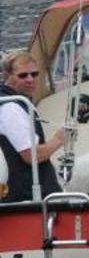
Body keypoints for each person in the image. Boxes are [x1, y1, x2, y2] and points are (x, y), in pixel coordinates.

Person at [1, 50, 62, 202]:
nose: (30, 79)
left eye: (34, 74)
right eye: (23, 75)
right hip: (31, 194)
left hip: (39, 185)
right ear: (7, 77)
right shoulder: (10, 108)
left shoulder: (17, 102)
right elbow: (31, 156)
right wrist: (60, 139)